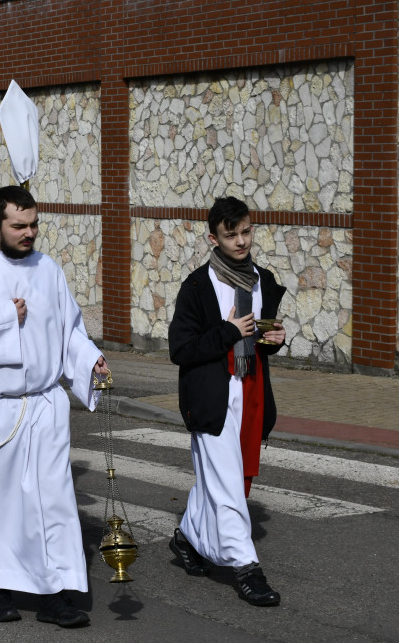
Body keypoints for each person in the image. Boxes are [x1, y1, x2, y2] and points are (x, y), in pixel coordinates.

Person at [0, 186, 108, 628]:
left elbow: (69, 329)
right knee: (0, 507)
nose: (29, 233)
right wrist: (3, 321)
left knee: (53, 502)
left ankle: (54, 595)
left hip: (45, 405)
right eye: (19, 226)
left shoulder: (48, 270)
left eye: (33, 225)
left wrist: (89, 359)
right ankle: (0, 591)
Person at [167, 195, 287, 607]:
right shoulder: (197, 286)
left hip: (251, 390)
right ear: (213, 239)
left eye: (246, 232)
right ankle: (246, 567)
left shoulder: (261, 279)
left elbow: (259, 338)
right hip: (212, 395)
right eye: (231, 234)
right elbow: (181, 349)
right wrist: (228, 331)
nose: (241, 241)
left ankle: (187, 538)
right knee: (227, 483)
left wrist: (274, 340)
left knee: (223, 479)